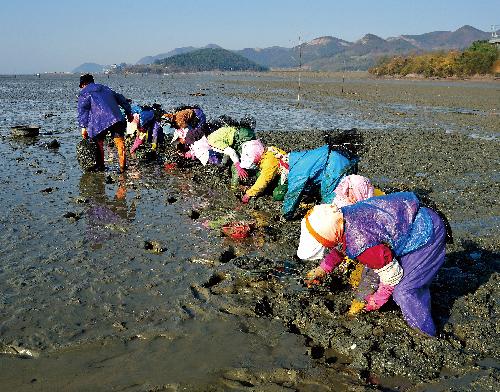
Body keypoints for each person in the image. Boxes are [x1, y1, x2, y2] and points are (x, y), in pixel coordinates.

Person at [296, 192, 447, 336]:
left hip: (426, 231)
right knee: (372, 270)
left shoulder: (360, 240)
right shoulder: (342, 218)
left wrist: (376, 301)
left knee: (404, 292)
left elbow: (392, 276)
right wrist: (322, 270)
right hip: (406, 221)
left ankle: (427, 332)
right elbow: (341, 248)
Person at [78, 74, 132, 172]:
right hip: (116, 118)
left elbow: (83, 110)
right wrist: (129, 113)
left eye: (81, 86)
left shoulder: (84, 92)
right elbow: (121, 99)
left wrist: (83, 127)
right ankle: (122, 167)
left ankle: (101, 166)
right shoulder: (105, 88)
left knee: (99, 143)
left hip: (99, 121)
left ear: (84, 84)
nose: (81, 88)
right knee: (120, 143)